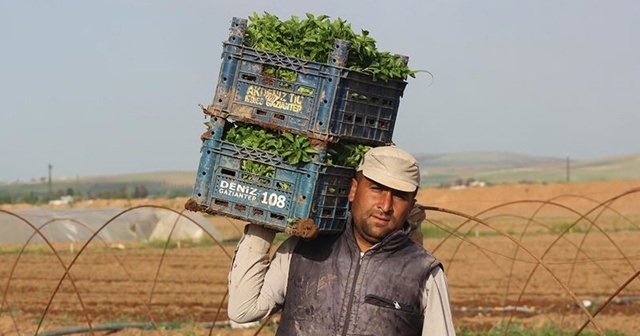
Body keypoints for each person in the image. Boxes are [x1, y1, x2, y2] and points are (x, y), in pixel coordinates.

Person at [227, 145, 455, 335]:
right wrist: (263, 221)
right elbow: (243, 310)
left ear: (412, 204)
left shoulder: (424, 272)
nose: (385, 206)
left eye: (399, 195)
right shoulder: (303, 250)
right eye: (376, 189)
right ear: (353, 190)